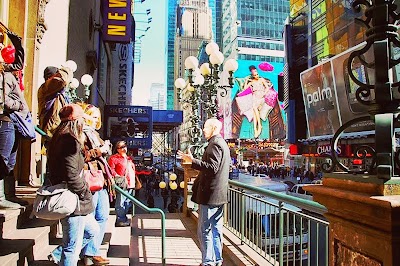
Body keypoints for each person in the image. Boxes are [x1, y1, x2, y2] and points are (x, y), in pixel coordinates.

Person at [47, 103, 99, 265]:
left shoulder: (61, 136)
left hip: (76, 198)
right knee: (71, 248)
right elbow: (71, 173)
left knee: (92, 231)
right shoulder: (69, 139)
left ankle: (57, 254)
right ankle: (62, 257)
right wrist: (84, 192)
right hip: (73, 198)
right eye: (82, 119)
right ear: (75, 121)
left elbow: (74, 162)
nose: (84, 123)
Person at [178, 118, 231, 266]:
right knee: (216, 229)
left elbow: (212, 167)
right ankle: (216, 260)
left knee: (205, 230)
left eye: (205, 128)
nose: (203, 130)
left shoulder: (215, 144)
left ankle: (208, 261)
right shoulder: (221, 143)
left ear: (213, 128)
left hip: (210, 195)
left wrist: (192, 160)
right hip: (218, 195)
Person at [80, 103, 112, 265]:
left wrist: (106, 147)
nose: (95, 119)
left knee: (103, 216)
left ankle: (91, 251)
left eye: (97, 117)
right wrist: (100, 150)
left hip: (102, 180)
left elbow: (104, 152)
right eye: (92, 115)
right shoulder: (81, 133)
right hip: (90, 179)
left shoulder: (94, 134)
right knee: (90, 219)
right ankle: (61, 253)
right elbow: (80, 156)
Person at [0, 56, 28, 209]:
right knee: (3, 160)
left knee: (11, 161)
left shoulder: (10, 75)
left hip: (12, 122)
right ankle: (2, 197)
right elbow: (5, 101)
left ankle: (10, 195)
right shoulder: (5, 76)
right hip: (5, 120)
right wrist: (19, 105)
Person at [38, 65, 72, 138]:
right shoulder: (47, 87)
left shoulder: (57, 91)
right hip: (51, 130)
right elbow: (64, 80)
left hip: (58, 129)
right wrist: (66, 70)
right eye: (57, 75)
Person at [108, 140, 136, 227]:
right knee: (121, 202)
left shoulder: (128, 158)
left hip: (131, 184)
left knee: (128, 202)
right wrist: (117, 176)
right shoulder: (114, 158)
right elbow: (111, 170)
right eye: (121, 147)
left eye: (125, 146)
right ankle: (121, 219)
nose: (124, 148)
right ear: (117, 149)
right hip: (122, 183)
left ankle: (123, 217)